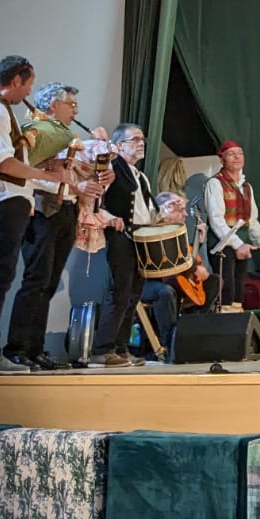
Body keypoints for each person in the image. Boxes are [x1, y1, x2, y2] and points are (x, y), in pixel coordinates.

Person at [0, 56, 85, 375]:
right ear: (16, 82)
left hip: (3, 197)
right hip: (2, 199)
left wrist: (46, 170)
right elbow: (4, 163)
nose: (29, 91)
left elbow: (13, 163)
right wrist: (53, 178)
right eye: (28, 85)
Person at [4, 82, 108, 370]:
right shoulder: (35, 133)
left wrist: (91, 182)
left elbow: (70, 173)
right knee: (35, 281)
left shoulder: (67, 137)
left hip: (66, 210)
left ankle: (35, 348)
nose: (75, 109)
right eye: (70, 104)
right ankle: (17, 348)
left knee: (48, 284)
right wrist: (72, 182)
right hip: (42, 211)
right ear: (52, 105)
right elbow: (26, 173)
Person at [91, 123, 164, 367]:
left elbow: (147, 210)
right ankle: (102, 349)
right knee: (120, 292)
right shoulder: (112, 167)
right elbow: (96, 200)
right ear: (119, 145)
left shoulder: (140, 177)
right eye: (135, 139)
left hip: (140, 240)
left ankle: (121, 348)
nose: (141, 143)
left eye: (142, 139)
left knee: (133, 295)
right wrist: (111, 218)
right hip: (121, 238)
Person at [137, 190, 214, 355]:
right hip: (147, 282)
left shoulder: (178, 230)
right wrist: (194, 268)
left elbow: (183, 258)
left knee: (214, 281)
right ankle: (170, 341)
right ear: (166, 209)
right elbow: (166, 260)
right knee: (165, 292)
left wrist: (199, 243)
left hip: (174, 278)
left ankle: (191, 330)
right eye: (181, 210)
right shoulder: (149, 228)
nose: (185, 214)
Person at [204, 140, 260, 308]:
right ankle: (224, 328)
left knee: (239, 291)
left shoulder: (246, 187)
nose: (237, 157)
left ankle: (235, 323)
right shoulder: (215, 183)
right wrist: (237, 245)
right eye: (231, 154)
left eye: (240, 153)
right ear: (222, 159)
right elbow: (216, 220)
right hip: (223, 245)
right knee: (226, 291)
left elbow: (251, 220)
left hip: (242, 243)